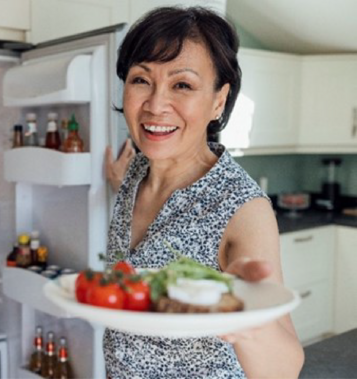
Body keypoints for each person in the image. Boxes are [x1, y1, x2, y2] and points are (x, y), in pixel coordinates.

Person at [104, 6, 304, 379]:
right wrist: (116, 180)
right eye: (141, 80)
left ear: (218, 100)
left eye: (182, 85)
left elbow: (284, 370)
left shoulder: (243, 208)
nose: (155, 105)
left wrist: (249, 320)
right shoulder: (136, 171)